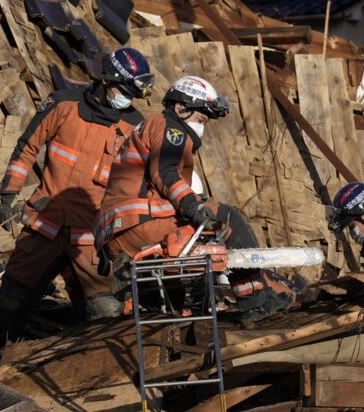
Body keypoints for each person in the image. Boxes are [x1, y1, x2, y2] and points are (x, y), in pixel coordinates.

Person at [95, 75, 296, 319]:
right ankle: (255, 302)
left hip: (114, 235)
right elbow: (165, 172)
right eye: (201, 119)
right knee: (229, 220)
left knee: (187, 253)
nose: (202, 127)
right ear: (181, 108)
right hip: (139, 222)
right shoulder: (170, 126)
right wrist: (193, 205)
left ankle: (170, 309)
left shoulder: (146, 128)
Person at [0, 47, 153, 341]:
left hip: (90, 235)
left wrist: (121, 241)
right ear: (106, 80)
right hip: (46, 221)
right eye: (124, 90)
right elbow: (27, 147)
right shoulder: (63, 104)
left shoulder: (134, 126)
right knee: (12, 297)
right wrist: (8, 196)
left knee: (104, 310)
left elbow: (133, 187)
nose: (127, 99)